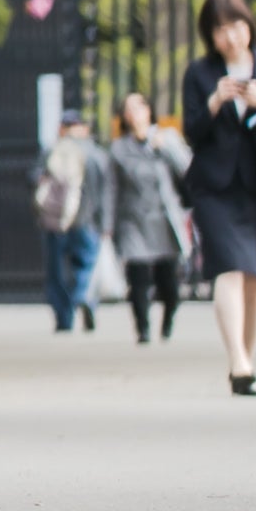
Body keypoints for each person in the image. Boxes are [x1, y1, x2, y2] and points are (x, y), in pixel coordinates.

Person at [179, 0, 256, 395]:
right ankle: (238, 361)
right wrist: (214, 102)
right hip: (214, 185)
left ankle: (244, 360)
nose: (229, 37)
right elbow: (191, 133)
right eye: (219, 30)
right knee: (228, 268)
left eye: (234, 26)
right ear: (209, 36)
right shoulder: (199, 73)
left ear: (248, 26)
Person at [92, 90, 190, 344]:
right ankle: (143, 329)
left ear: (149, 110)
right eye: (128, 109)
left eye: (138, 107)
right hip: (133, 220)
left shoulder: (167, 138)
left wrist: (164, 147)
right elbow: (111, 189)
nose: (133, 114)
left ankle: (168, 318)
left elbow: (187, 169)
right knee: (137, 278)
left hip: (164, 219)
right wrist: (107, 225)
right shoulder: (119, 148)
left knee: (168, 282)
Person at [34, 112, 100, 333]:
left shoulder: (52, 151)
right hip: (83, 219)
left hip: (59, 220)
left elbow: (34, 180)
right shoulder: (93, 152)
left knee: (59, 272)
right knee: (84, 266)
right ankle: (82, 298)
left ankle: (67, 315)